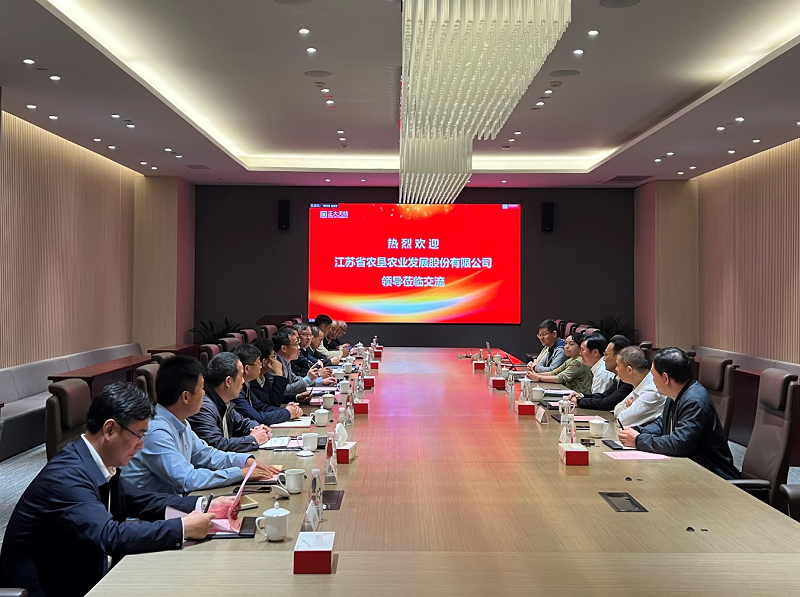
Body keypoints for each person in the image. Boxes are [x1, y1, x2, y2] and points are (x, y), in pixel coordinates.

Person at [0, 382, 224, 597]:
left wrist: (205, 504)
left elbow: (141, 501)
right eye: (138, 435)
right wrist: (182, 528)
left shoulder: (99, 463)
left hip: (87, 579)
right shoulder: (66, 477)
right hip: (50, 591)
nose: (141, 445)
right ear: (109, 429)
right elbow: (110, 536)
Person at [122, 356, 279, 494]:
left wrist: (245, 461)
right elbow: (187, 479)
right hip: (151, 514)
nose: (204, 393)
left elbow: (207, 455)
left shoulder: (180, 421)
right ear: (185, 397)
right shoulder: (156, 431)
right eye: (201, 389)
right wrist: (239, 473)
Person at [618, 348, 739, 480]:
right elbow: (660, 424)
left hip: (714, 477)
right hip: (689, 471)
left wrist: (638, 440)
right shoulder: (675, 395)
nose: (652, 380)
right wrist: (637, 431)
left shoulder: (694, 401)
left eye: (653, 375)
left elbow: (679, 444)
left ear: (665, 378)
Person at [187, 352, 271, 452]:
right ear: (228, 381)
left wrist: (259, 429)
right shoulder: (203, 407)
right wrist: (253, 439)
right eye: (241, 376)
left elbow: (243, 423)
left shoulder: (223, 402)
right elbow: (215, 445)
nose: (243, 381)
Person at [231, 344, 303, 424]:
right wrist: (287, 413)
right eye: (259, 363)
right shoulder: (236, 390)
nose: (261, 366)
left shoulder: (246, 385)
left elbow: (262, 406)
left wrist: (288, 410)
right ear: (247, 369)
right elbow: (257, 417)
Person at [569, 335, 633, 410]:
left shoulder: (628, 380)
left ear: (618, 357)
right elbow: (604, 396)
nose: (604, 359)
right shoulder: (618, 377)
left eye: (606, 354)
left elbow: (607, 403)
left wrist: (579, 401)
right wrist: (581, 396)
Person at [270, 328, 335, 401]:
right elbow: (284, 390)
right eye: (296, 344)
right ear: (284, 348)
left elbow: (295, 379)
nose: (299, 348)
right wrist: (309, 379)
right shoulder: (272, 365)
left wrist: (318, 381)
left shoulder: (285, 361)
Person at [613, 346, 667, 427]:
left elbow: (622, 421)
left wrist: (628, 409)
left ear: (629, 370)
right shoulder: (641, 383)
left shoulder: (652, 390)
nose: (616, 369)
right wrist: (628, 409)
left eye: (618, 365)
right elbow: (616, 410)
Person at [527, 332, 592, 394]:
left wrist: (539, 377)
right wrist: (534, 375)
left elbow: (560, 378)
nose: (566, 347)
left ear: (580, 348)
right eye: (566, 343)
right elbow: (554, 372)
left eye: (571, 344)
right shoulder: (570, 360)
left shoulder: (578, 362)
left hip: (580, 397)